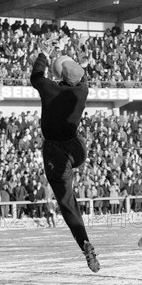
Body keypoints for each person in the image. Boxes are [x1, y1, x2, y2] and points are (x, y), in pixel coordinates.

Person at [30, 45, 99, 272]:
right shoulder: (83, 91)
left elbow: (36, 76)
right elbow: (82, 76)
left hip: (55, 152)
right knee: (74, 164)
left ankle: (84, 242)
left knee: (67, 202)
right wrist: (77, 62)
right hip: (76, 149)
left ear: (58, 75)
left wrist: (44, 54)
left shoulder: (49, 88)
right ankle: (73, 168)